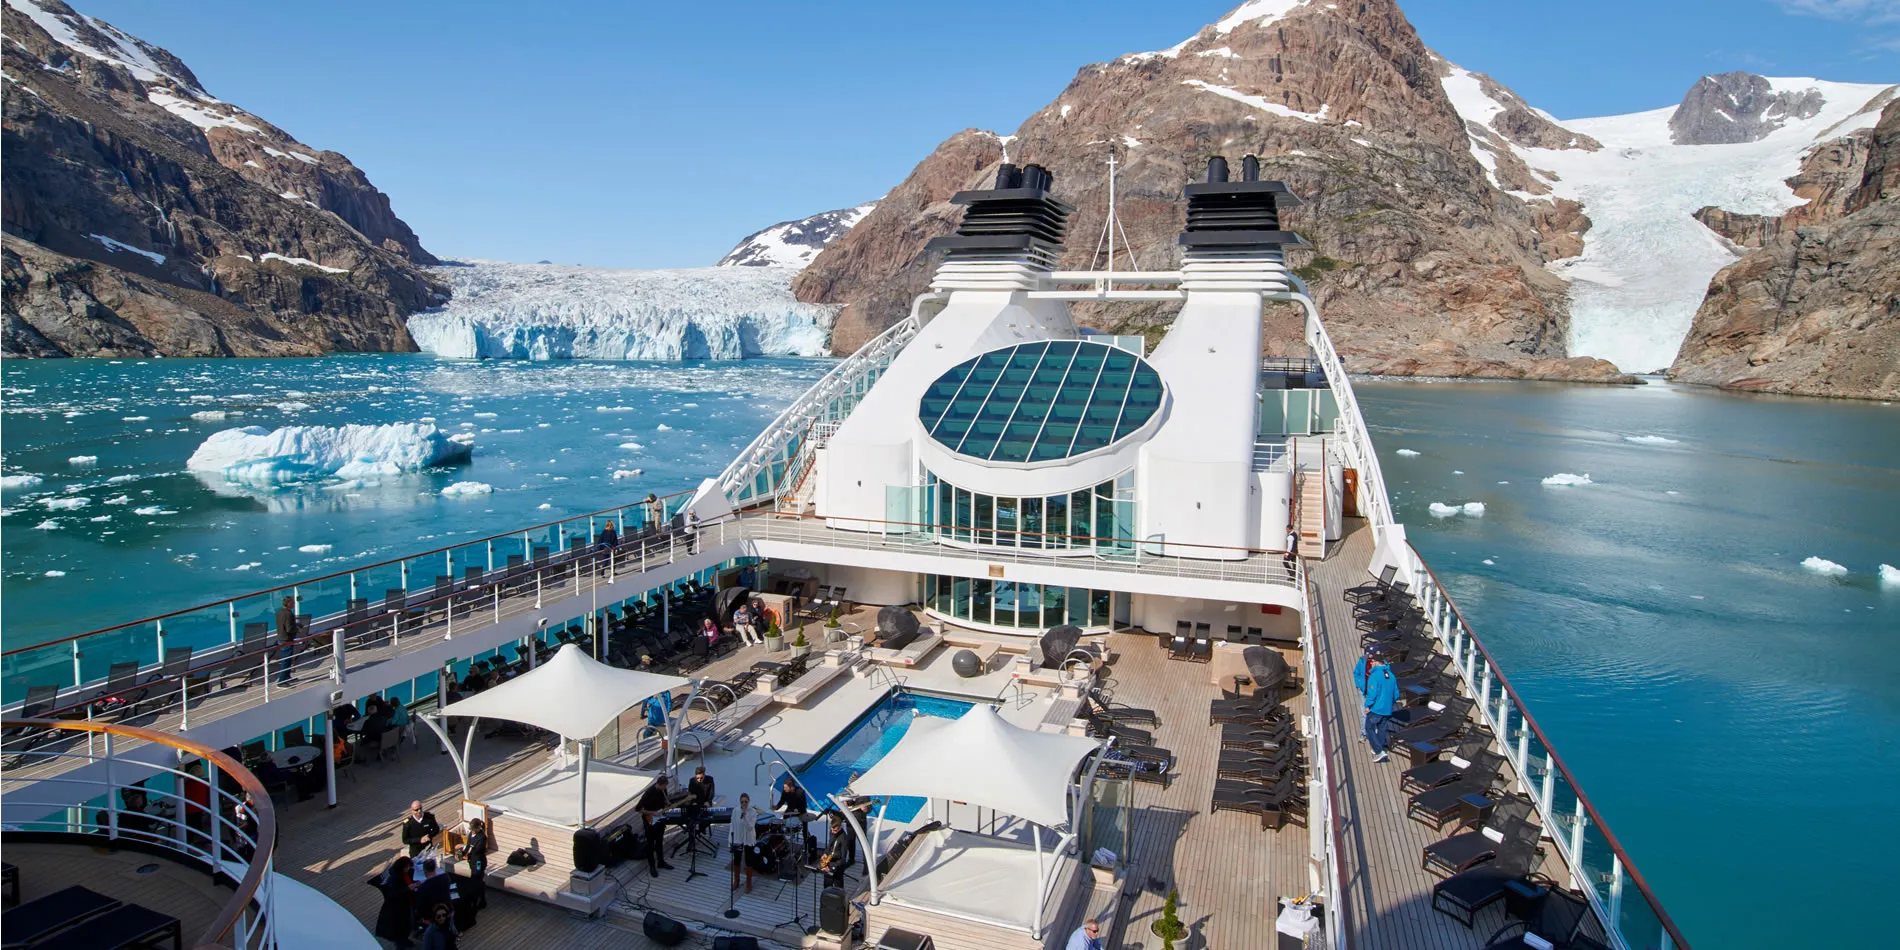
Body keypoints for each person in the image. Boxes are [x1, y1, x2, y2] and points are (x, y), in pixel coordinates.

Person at [373, 855, 417, 950]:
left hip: (406, 904)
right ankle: (401, 944)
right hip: (397, 909)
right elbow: (394, 893)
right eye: (407, 867)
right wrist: (407, 888)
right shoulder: (394, 878)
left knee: (407, 925)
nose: (408, 869)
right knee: (399, 929)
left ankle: (405, 940)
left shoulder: (406, 873)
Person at [1364, 651, 1399, 763]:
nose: (1371, 664)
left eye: (1372, 661)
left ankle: (1379, 751)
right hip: (1387, 709)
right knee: (1382, 728)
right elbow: (1396, 694)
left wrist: (1367, 705)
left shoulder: (1375, 676)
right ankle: (1377, 748)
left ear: (1377, 662)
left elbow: (1372, 694)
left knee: (1369, 728)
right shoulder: (1391, 676)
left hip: (1376, 708)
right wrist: (1389, 702)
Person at [638, 776, 676, 877]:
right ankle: (652, 866)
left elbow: (664, 803)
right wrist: (652, 813)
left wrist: (668, 804)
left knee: (659, 841)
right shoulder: (649, 793)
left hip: (660, 820)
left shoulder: (663, 791)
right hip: (649, 820)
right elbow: (638, 809)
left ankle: (661, 862)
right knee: (650, 844)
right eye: (664, 786)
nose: (665, 788)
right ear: (659, 784)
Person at [730, 792, 759, 893]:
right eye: (742, 802)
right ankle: (736, 880)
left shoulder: (752, 812)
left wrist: (745, 815)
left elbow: (750, 827)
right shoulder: (735, 811)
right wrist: (730, 840)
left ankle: (748, 883)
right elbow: (732, 825)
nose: (744, 804)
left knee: (748, 861)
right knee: (737, 860)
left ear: (749, 802)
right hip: (738, 838)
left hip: (748, 839)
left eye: (746, 802)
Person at [459, 818, 489, 911]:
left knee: (477, 880)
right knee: (474, 880)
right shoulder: (470, 835)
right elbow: (468, 846)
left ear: (477, 828)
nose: (472, 831)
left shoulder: (482, 837)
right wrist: (463, 853)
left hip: (478, 861)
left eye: (473, 829)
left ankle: (481, 900)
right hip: (472, 861)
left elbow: (478, 850)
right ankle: (476, 898)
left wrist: (469, 850)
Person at [182, 759, 211, 852]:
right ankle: (194, 843)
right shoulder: (203, 783)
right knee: (195, 826)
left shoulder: (186, 784)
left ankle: (190, 844)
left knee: (192, 827)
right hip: (197, 808)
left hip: (191, 809)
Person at [414, 858, 452, 926]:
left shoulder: (423, 888)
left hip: (433, 917)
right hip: (448, 910)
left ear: (425, 872)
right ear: (435, 868)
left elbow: (420, 906)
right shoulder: (445, 878)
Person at [275, 595, 301, 686]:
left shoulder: (279, 612)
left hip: (280, 637)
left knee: (287, 659)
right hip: (287, 639)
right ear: (288, 603)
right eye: (293, 602)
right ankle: (281, 681)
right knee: (286, 660)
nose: (294, 604)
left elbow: (283, 624)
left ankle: (287, 676)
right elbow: (289, 628)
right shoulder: (289, 614)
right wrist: (297, 629)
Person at [821, 812, 851, 889]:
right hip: (829, 860)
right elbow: (829, 846)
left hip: (837, 865)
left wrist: (831, 867)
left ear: (840, 827)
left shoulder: (844, 838)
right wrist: (825, 853)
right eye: (832, 830)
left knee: (838, 886)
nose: (833, 832)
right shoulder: (832, 832)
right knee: (827, 884)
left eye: (835, 830)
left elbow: (843, 859)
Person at [644, 690, 673, 760]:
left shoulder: (666, 692)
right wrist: (652, 698)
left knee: (664, 736)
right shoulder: (653, 694)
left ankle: (665, 751)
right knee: (647, 733)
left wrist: (668, 712)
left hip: (661, 719)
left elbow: (669, 702)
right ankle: (646, 748)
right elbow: (645, 698)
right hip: (652, 718)